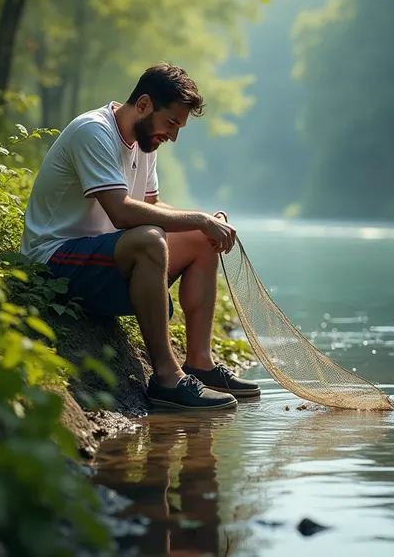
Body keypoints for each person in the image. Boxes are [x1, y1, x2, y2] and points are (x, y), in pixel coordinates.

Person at [21, 62, 260, 410]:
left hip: (103, 256)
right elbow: (121, 211)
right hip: (55, 259)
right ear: (144, 104)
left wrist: (203, 221)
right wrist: (198, 218)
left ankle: (200, 365)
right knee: (150, 238)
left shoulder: (145, 142)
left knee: (198, 236)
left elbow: (151, 204)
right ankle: (166, 379)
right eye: (171, 123)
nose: (174, 136)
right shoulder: (93, 131)